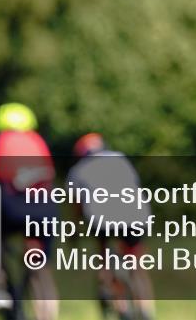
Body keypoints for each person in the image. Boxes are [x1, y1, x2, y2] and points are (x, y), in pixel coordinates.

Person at [0, 102, 59, 320]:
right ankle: (47, 313)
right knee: (40, 264)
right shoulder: (39, 141)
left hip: (11, 207)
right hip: (46, 210)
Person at [66, 133, 155, 320]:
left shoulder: (78, 170)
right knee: (137, 263)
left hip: (102, 219)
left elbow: (77, 206)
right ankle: (146, 309)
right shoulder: (120, 158)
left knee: (105, 259)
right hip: (135, 215)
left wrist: (74, 230)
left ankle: (120, 306)